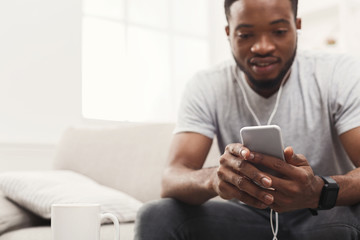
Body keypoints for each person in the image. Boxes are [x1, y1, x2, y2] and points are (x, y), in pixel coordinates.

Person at [134, 0, 360, 239]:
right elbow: (172, 178)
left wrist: (318, 191)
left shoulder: (338, 74)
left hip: (325, 215)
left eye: (279, 31)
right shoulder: (206, 85)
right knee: (157, 214)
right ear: (229, 33)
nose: (262, 47)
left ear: (297, 26)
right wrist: (215, 179)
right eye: (245, 34)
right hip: (247, 218)